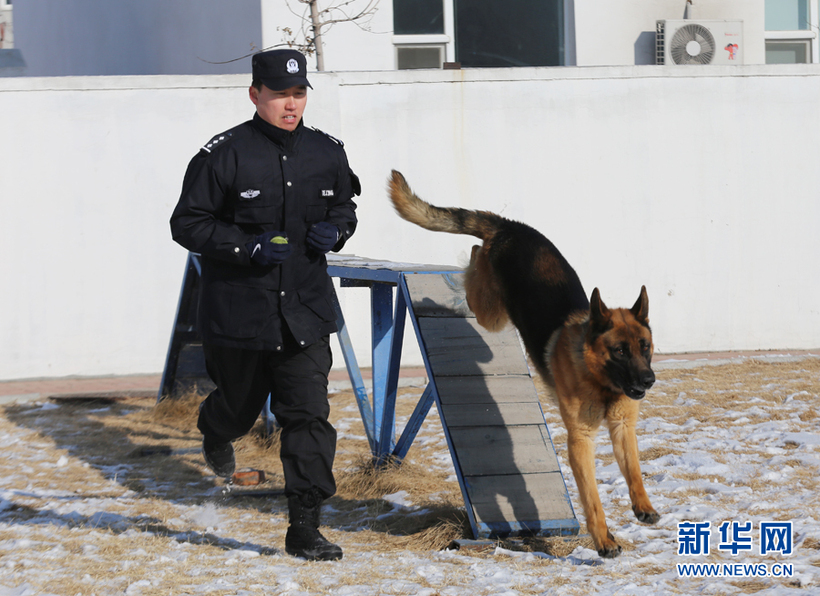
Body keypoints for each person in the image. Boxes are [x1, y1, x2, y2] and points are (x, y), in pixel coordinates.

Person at [170, 49, 359, 561]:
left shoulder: (327, 152)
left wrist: (336, 229)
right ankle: (215, 427)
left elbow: (345, 206)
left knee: (309, 416)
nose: (290, 104)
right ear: (256, 94)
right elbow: (186, 223)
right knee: (237, 410)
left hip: (305, 311)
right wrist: (246, 246)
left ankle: (305, 527)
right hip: (241, 315)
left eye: (298, 94)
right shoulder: (223, 154)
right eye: (279, 94)